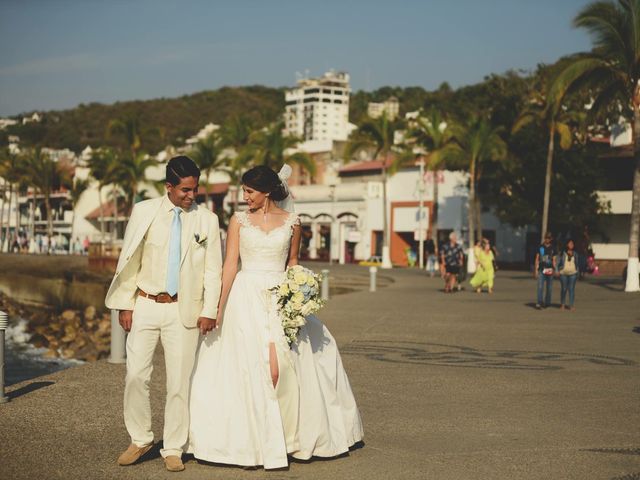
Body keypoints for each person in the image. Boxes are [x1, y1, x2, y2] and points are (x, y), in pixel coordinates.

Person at [188, 165, 363, 470]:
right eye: (244, 191)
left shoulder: (293, 222)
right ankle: (252, 443)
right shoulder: (238, 221)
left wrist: (299, 293)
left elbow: (293, 261)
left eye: (250, 191)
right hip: (245, 296)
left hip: (281, 295)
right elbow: (230, 265)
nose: (245, 197)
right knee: (251, 368)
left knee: (282, 365)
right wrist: (217, 307)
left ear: (267, 192)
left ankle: (291, 437)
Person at [105, 156, 223, 472]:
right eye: (185, 189)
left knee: (179, 383)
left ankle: (173, 447)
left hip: (185, 309)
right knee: (136, 375)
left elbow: (213, 270)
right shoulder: (144, 211)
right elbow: (130, 258)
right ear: (168, 186)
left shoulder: (207, 220)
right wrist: (126, 304)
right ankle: (140, 438)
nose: (191, 195)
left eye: (195, 189)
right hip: (144, 304)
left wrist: (209, 309)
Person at [534, 232, 557, 309]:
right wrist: (535, 270)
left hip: (550, 269)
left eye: (549, 238)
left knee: (549, 287)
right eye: (546, 238)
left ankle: (547, 302)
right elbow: (537, 258)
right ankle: (539, 302)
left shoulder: (553, 248)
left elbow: (554, 260)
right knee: (540, 286)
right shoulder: (541, 247)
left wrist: (555, 270)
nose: (547, 239)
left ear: (551, 239)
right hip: (541, 269)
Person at [557, 239, 579, 310]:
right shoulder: (562, 253)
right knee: (564, 288)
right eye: (570, 243)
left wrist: (577, 272)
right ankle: (562, 304)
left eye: (572, 243)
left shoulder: (575, 254)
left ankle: (571, 305)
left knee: (571, 289)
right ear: (567, 245)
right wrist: (557, 271)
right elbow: (558, 262)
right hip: (563, 273)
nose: (571, 245)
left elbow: (577, 263)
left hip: (573, 273)